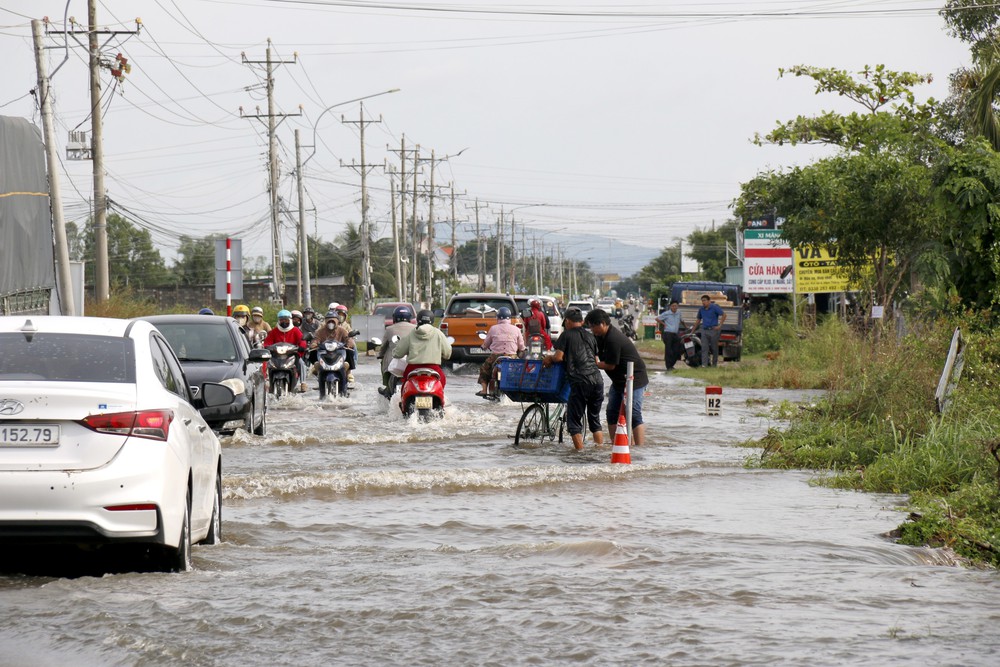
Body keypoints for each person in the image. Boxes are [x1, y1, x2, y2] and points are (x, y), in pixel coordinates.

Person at [585, 308, 648, 446]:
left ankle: (640, 447)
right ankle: (616, 445)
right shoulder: (600, 337)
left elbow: (610, 365)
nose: (591, 330)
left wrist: (594, 364)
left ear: (602, 324)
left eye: (592, 326)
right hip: (618, 381)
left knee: (633, 413)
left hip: (635, 379)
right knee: (612, 413)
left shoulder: (613, 339)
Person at [544, 306, 604, 451]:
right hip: (597, 380)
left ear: (568, 321)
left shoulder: (566, 335)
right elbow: (596, 360)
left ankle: (580, 454)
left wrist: (549, 358)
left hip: (580, 381)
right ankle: (599, 451)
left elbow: (558, 357)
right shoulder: (591, 336)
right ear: (581, 321)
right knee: (594, 420)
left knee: (574, 422)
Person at [392, 309, 452, 388]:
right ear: (432, 321)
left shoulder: (411, 334)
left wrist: (395, 352)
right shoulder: (438, 333)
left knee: (405, 386)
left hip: (413, 368)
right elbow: (447, 354)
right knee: (441, 382)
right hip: (433, 368)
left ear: (418, 320)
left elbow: (398, 353)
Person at [476, 306, 525, 398]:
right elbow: (521, 345)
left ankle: (484, 390)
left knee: (484, 369)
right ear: (509, 318)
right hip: (512, 356)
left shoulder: (493, 328)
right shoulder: (516, 329)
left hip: (496, 356)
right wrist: (522, 349)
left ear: (498, 317)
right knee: (518, 371)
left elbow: (486, 343)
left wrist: (483, 347)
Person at [263, 309, 308, 392]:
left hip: (291, 354)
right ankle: (266, 381)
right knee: (266, 363)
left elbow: (302, 340)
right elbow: (267, 342)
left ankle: (303, 383)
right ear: (279, 321)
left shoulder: (295, 330)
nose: (284, 322)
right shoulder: (274, 331)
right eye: (281, 320)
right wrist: (266, 347)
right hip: (276, 356)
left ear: (290, 320)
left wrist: (301, 347)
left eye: (286, 320)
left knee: (301, 363)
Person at [313, 310, 356, 396]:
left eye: (333, 320)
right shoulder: (320, 331)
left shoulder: (342, 330)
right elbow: (316, 340)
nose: (331, 323)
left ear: (337, 321)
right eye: (329, 320)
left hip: (339, 353)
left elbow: (348, 339)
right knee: (315, 357)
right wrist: (314, 344)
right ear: (325, 321)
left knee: (350, 354)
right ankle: (317, 374)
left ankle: (348, 374)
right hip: (325, 354)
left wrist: (349, 343)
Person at [377, 306, 417, 398]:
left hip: (394, 362)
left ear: (394, 317)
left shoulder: (389, 329)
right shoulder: (415, 328)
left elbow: (383, 346)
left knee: (384, 360)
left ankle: (387, 386)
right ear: (409, 317)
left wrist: (380, 355)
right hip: (412, 361)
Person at [693, 294, 726, 367]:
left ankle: (714, 364)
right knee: (704, 348)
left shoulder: (714, 307)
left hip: (713, 330)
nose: (703, 302)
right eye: (702, 301)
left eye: (704, 301)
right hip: (704, 330)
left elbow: (724, 315)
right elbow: (698, 320)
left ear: (709, 301)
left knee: (714, 348)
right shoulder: (701, 309)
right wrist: (692, 330)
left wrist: (720, 325)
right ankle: (704, 365)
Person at [655, 300, 687, 370]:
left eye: (675, 306)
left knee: (677, 349)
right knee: (668, 350)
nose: (674, 307)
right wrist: (663, 324)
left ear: (677, 306)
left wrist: (686, 327)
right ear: (670, 307)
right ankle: (668, 366)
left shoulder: (679, 313)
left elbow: (682, 320)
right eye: (673, 306)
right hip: (668, 334)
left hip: (675, 334)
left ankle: (672, 364)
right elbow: (657, 318)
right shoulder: (667, 313)